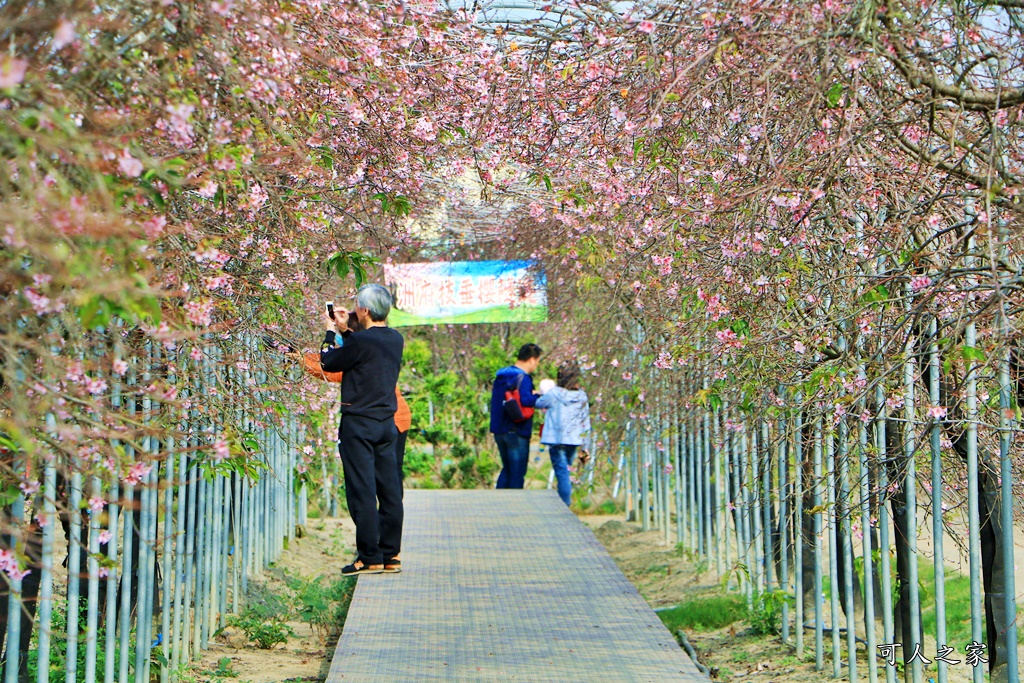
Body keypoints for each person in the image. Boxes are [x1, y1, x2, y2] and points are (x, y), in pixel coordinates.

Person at [319, 284, 404, 576]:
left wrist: (331, 331)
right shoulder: (395, 339)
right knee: (389, 490)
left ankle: (369, 557)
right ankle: (391, 555)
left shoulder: (361, 342)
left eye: (357, 307)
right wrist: (347, 331)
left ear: (365, 310)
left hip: (359, 426)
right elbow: (366, 350)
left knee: (363, 491)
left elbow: (329, 361)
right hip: (386, 425)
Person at [536, 362, 592, 506]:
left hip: (556, 439)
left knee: (562, 473)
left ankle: (564, 505)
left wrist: (537, 395)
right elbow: (585, 422)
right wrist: (586, 445)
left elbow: (539, 403)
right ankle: (564, 502)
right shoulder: (582, 396)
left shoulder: (554, 393)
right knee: (566, 470)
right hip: (573, 440)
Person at [489, 343, 542, 489]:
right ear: (531, 360)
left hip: (500, 430)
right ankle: (514, 506)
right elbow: (525, 400)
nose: (536, 365)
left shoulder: (500, 377)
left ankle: (498, 504)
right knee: (517, 473)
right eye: (537, 362)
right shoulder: (523, 378)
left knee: (507, 469)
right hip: (517, 432)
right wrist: (539, 397)